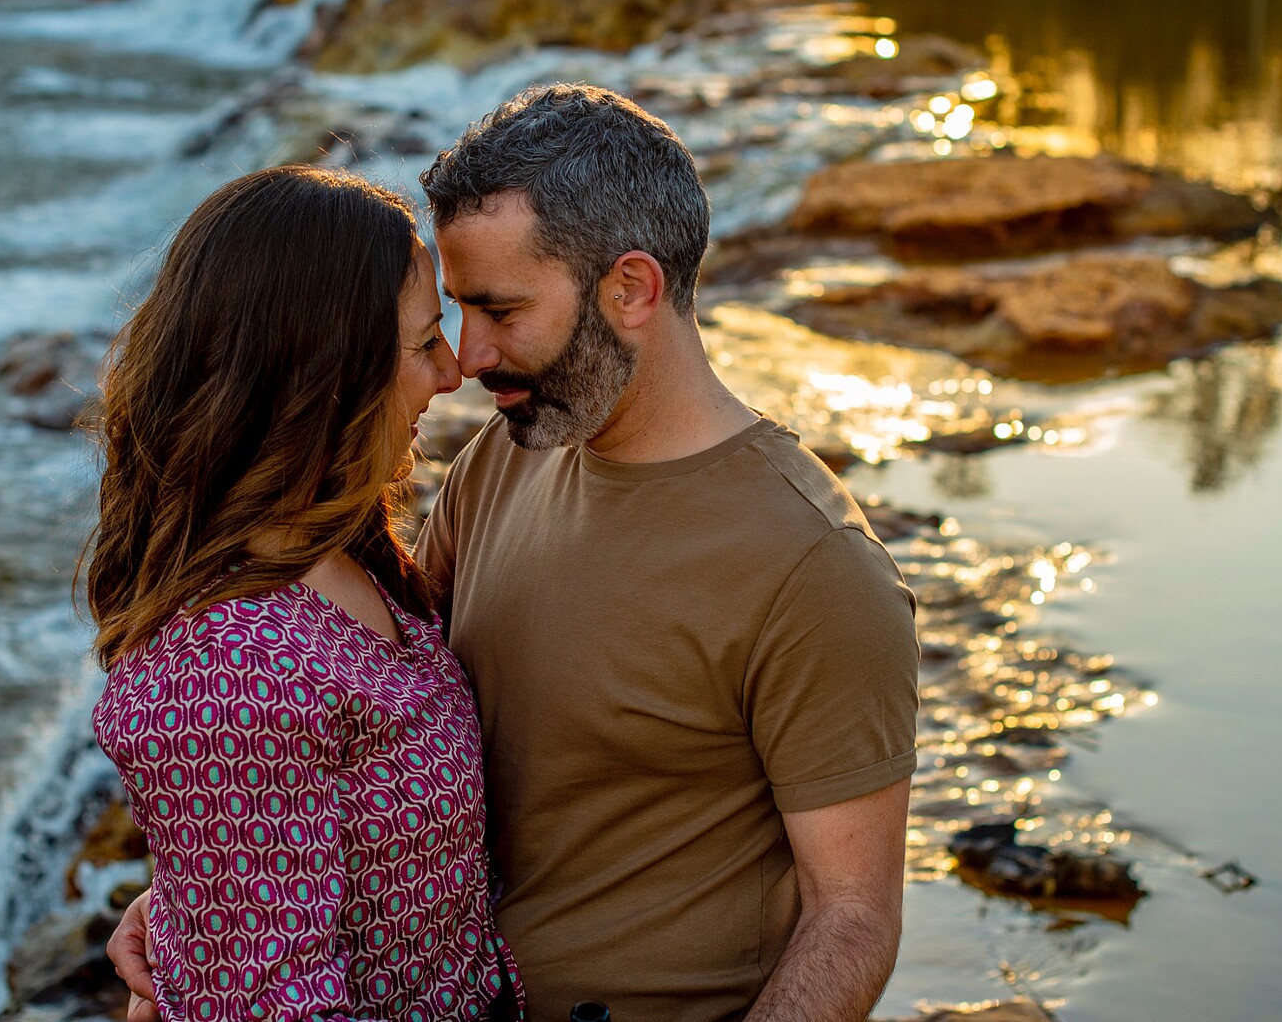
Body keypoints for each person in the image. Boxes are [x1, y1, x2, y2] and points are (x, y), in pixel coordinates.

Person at [114, 86, 919, 1022]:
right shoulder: (503, 460)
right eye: (454, 311)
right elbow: (365, 728)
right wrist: (218, 891)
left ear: (631, 289)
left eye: (500, 309)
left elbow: (853, 917)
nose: (468, 357)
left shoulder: (813, 564)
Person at [84, 165, 522, 1022]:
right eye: (425, 338)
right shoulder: (223, 668)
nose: (451, 371)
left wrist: (192, 908)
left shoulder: (344, 548)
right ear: (330, 373)